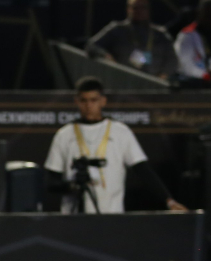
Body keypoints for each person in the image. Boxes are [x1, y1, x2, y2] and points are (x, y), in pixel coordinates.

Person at [44, 77, 187, 214]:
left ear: (103, 101)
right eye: (83, 100)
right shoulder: (64, 134)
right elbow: (51, 180)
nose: (88, 106)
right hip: (73, 216)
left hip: (111, 215)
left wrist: (169, 201)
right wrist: (71, 186)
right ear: (76, 101)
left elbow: (142, 170)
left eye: (93, 100)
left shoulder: (120, 131)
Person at [86, 0, 177, 80]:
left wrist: (164, 75)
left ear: (148, 10)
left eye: (143, 7)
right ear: (128, 9)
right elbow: (92, 45)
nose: (139, 11)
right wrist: (105, 56)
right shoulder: (117, 29)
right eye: (135, 7)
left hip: (155, 82)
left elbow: (172, 59)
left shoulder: (160, 33)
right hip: (124, 80)